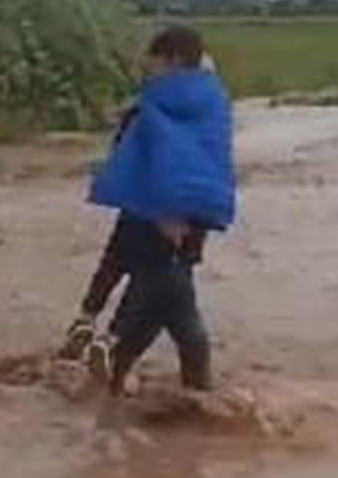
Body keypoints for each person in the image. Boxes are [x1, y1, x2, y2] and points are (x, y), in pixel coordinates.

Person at [83, 27, 236, 394]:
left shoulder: (154, 105)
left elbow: (144, 156)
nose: (146, 74)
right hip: (180, 216)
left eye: (152, 66)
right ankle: (197, 401)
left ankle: (112, 357)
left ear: (174, 62)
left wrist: (162, 209)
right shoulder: (209, 100)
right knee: (178, 309)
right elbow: (208, 154)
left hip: (155, 213)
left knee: (170, 304)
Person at [59, 53, 218, 361]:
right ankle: (111, 343)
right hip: (174, 225)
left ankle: (89, 321)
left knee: (117, 266)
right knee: (171, 308)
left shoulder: (142, 111)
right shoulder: (192, 119)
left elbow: (122, 161)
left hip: (135, 213)